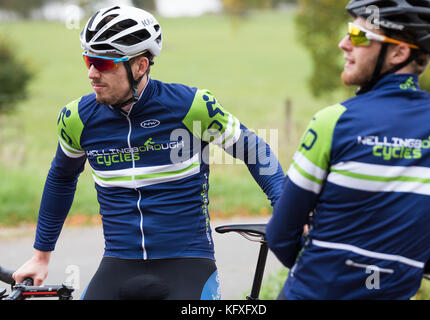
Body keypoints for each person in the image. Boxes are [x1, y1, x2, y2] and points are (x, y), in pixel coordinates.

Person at [13, 5, 284, 300]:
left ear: (140, 66)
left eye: (103, 64)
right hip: (118, 263)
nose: (92, 73)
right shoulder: (77, 118)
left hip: (188, 263)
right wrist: (41, 255)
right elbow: (61, 178)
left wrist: (286, 208)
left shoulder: (191, 106)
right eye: (88, 60)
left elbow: (254, 149)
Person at [266, 0, 430, 299]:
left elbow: (280, 235)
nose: (343, 44)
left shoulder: (334, 121)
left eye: (359, 35)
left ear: (399, 52)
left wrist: (334, 259)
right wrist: (396, 257)